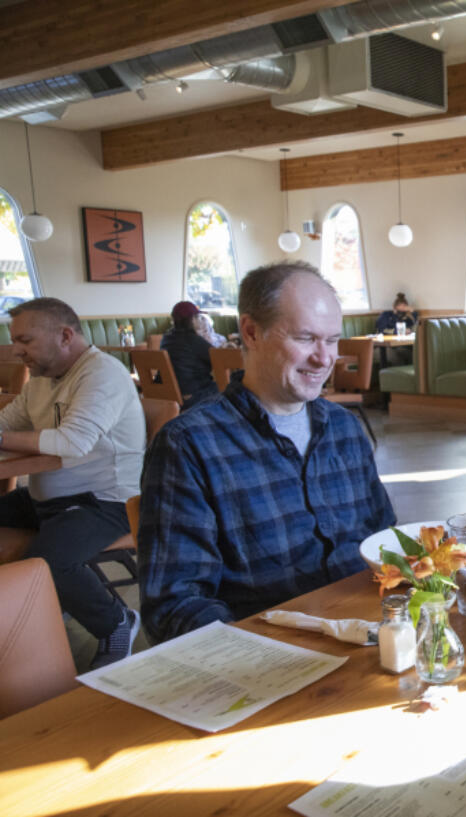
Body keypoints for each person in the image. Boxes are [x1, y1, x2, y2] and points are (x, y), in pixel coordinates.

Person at [139, 261, 395, 643]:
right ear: (251, 332)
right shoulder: (189, 445)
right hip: (269, 655)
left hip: (373, 637)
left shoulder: (344, 429)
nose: (325, 358)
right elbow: (175, 605)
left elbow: (384, 545)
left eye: (332, 339)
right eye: (306, 338)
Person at [0, 298, 145, 668]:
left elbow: (73, 441)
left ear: (65, 335)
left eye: (25, 340)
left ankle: (116, 622)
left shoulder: (103, 374)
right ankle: (51, 603)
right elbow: (9, 422)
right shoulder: (42, 380)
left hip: (106, 501)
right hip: (47, 497)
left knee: (48, 561)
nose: (17, 350)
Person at [160, 300, 219, 410]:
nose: (200, 321)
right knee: (231, 385)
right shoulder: (193, 340)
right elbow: (220, 361)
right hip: (192, 396)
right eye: (198, 317)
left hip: (170, 396)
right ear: (192, 319)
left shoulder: (166, 339)